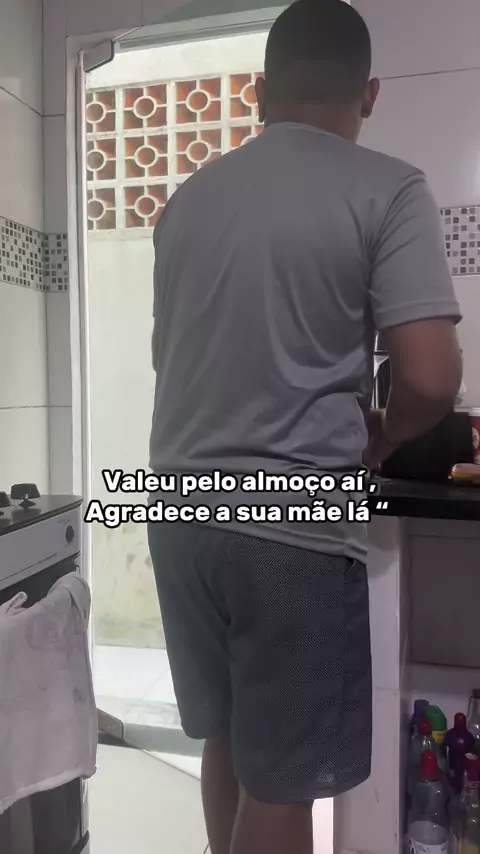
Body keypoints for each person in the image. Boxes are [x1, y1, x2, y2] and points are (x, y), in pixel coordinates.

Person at [148, 1, 462, 852]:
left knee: (228, 738)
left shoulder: (187, 200)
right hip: (288, 525)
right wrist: (384, 433)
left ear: (259, 92)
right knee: (284, 784)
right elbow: (432, 379)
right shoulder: (388, 187)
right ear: (370, 95)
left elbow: (164, 355)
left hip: (177, 513)